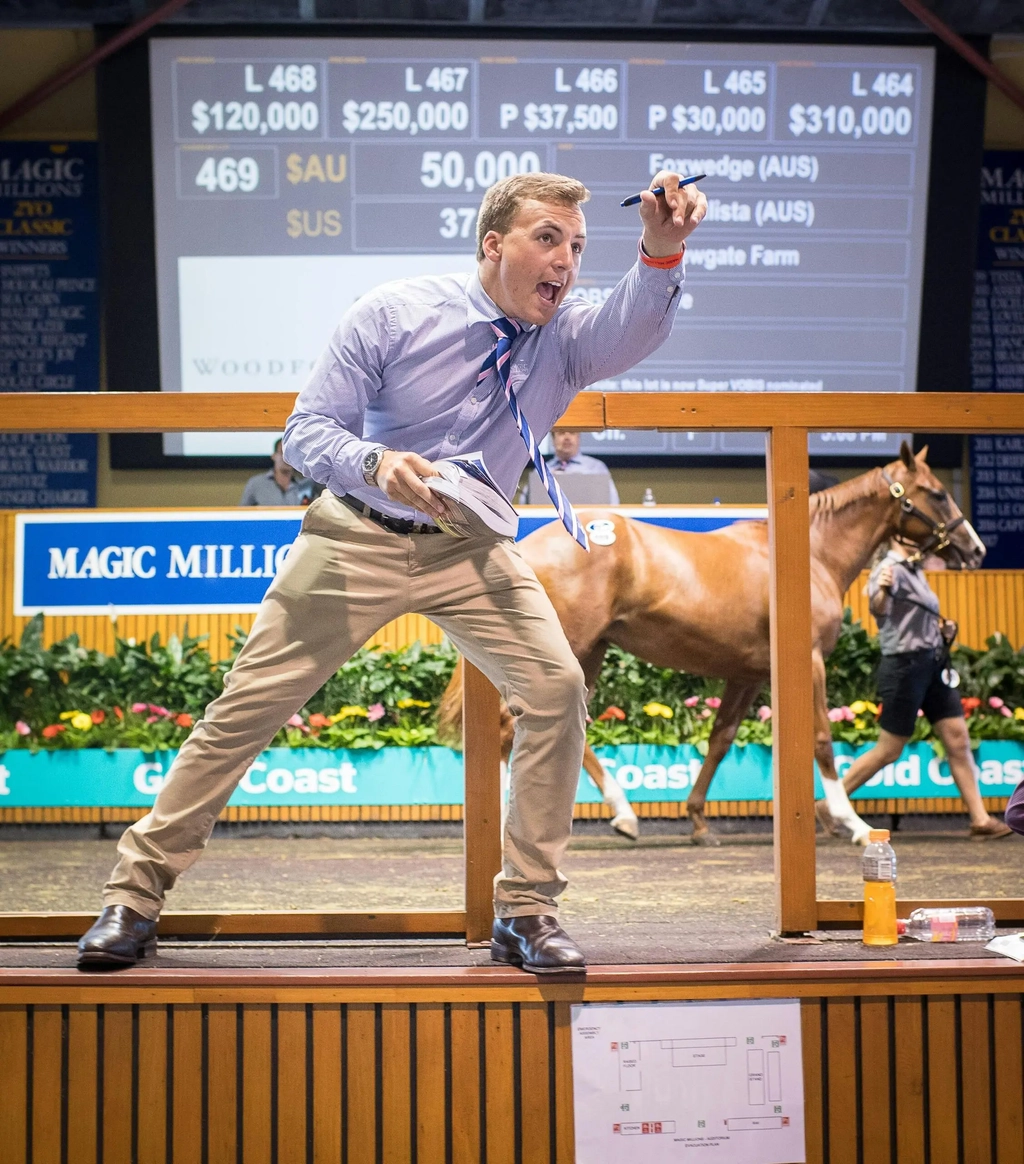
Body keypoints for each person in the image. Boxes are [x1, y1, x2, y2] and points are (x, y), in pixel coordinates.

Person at [77, 169, 707, 972]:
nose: (567, 261)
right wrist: (376, 464)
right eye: (547, 239)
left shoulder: (567, 338)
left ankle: (526, 909)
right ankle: (133, 896)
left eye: (578, 247)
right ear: (494, 244)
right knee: (245, 709)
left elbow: (637, 324)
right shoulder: (394, 313)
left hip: (471, 549)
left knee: (555, 691)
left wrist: (660, 251)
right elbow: (306, 434)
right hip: (356, 535)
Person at [836, 538, 1011, 841]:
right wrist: (885, 590)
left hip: (932, 664)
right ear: (900, 538)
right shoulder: (888, 569)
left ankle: (980, 819)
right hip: (904, 667)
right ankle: (831, 802)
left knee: (957, 739)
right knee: (889, 749)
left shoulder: (914, 570)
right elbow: (879, 608)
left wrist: (941, 633)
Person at [524, 427, 619, 505]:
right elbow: (525, 506)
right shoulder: (541, 471)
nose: (567, 437)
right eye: (561, 433)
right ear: (553, 440)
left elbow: (613, 503)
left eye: (572, 432)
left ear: (579, 438)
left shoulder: (596, 468)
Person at [239, 437, 316, 506]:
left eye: (291, 454)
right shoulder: (256, 483)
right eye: (283, 453)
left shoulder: (305, 485)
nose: (287, 458)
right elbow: (241, 515)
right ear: (274, 456)